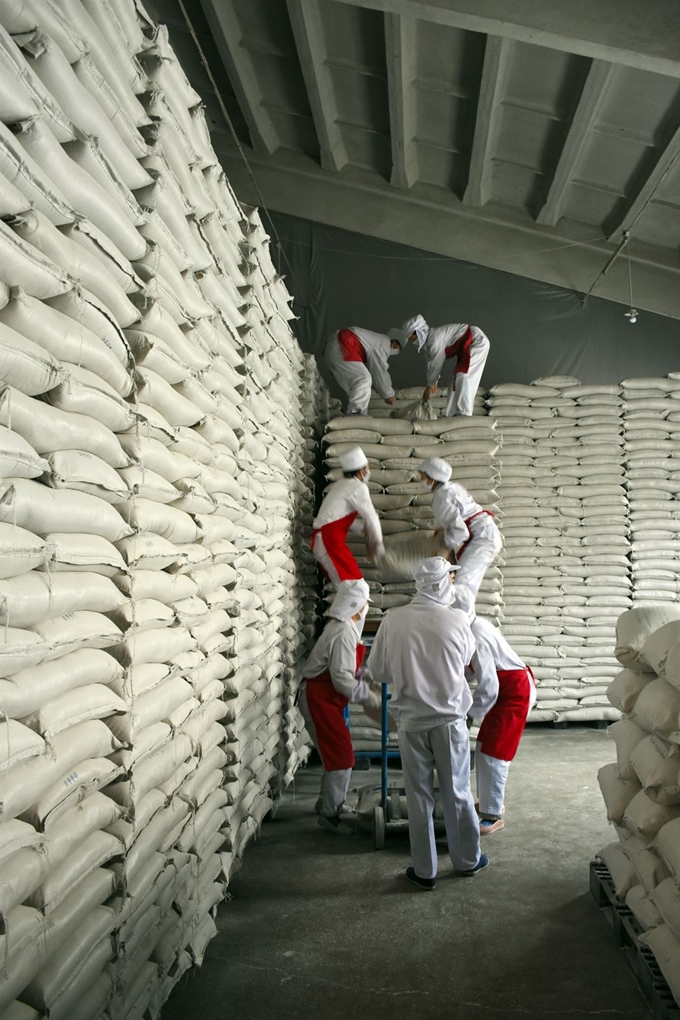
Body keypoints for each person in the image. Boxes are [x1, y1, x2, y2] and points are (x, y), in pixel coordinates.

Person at [367, 557, 488, 890]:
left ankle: (424, 872)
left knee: (418, 797)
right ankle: (466, 860)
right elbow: (465, 663)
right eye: (450, 577)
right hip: (449, 721)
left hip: (410, 721)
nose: (453, 582)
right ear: (439, 583)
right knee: (457, 792)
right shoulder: (457, 620)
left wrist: (408, 673)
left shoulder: (393, 620)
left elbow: (377, 671)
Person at [299, 579, 380, 835]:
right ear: (357, 605)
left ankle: (328, 803)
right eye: (365, 604)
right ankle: (329, 815)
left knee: (334, 755)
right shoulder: (343, 632)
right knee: (341, 757)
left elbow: (344, 668)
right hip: (319, 700)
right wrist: (368, 697)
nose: (366, 609)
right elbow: (341, 679)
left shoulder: (343, 627)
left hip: (324, 699)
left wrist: (364, 673)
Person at [459, 591, 536, 835]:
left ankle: (493, 815)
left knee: (495, 752)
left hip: (513, 693)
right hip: (504, 690)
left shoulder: (476, 634)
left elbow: (489, 685)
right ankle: (489, 802)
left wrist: (469, 716)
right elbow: (474, 668)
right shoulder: (472, 627)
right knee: (483, 746)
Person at [420, 456, 502, 600]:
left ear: (431, 478)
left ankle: (462, 622)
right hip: (486, 534)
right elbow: (461, 517)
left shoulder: (441, 498)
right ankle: (461, 620)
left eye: (422, 475)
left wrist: (444, 548)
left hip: (482, 540)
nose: (420, 479)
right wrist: (444, 530)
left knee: (462, 587)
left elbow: (460, 532)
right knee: (463, 586)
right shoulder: (452, 487)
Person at [311, 445, 383, 587]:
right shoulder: (358, 487)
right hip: (328, 540)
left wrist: (362, 527)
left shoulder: (340, 485)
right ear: (362, 470)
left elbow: (337, 516)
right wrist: (378, 542)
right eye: (367, 467)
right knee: (354, 588)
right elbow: (371, 516)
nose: (368, 471)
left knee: (350, 589)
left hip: (327, 539)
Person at [397, 314, 490, 417]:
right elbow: (430, 365)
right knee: (452, 380)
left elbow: (436, 363)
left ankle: (464, 413)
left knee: (464, 375)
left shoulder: (434, 338)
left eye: (411, 338)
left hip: (476, 341)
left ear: (419, 333)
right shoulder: (428, 345)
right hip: (466, 347)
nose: (411, 341)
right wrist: (434, 382)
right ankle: (453, 414)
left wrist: (429, 386)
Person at [324, 326, 407, 416]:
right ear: (394, 343)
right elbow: (379, 370)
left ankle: (359, 415)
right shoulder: (383, 343)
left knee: (354, 389)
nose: (396, 349)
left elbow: (371, 369)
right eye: (399, 347)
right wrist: (388, 393)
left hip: (332, 348)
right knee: (363, 379)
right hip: (343, 345)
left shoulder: (373, 340)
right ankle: (355, 414)